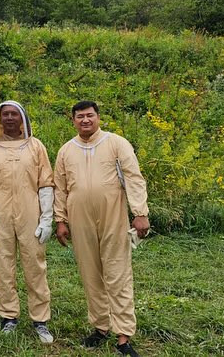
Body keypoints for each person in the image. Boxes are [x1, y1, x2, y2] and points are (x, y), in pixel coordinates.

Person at [53, 101, 150, 357]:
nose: (85, 120)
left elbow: (133, 177)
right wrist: (60, 220)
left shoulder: (116, 143)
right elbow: (60, 188)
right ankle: (100, 326)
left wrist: (140, 212)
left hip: (113, 216)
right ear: (72, 120)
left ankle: (123, 335)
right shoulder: (66, 151)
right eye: (80, 117)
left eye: (90, 116)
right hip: (79, 218)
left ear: (98, 117)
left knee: (117, 271)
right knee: (90, 273)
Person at [0, 100, 55, 344]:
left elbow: (45, 183)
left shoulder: (36, 146)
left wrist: (47, 217)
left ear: (22, 118)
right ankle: (8, 316)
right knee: (2, 265)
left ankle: (40, 319)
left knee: (35, 264)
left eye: (13, 114)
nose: (9, 118)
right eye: (5, 114)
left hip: (30, 210)